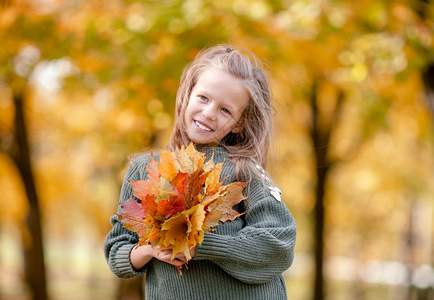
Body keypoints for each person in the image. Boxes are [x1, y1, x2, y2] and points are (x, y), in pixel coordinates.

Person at [104, 45, 297, 299]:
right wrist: (150, 250)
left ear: (239, 123)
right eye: (203, 98)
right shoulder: (144, 170)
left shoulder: (245, 171)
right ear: (188, 94)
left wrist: (199, 245)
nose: (208, 113)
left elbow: (278, 246)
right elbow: (117, 250)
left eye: (225, 110)